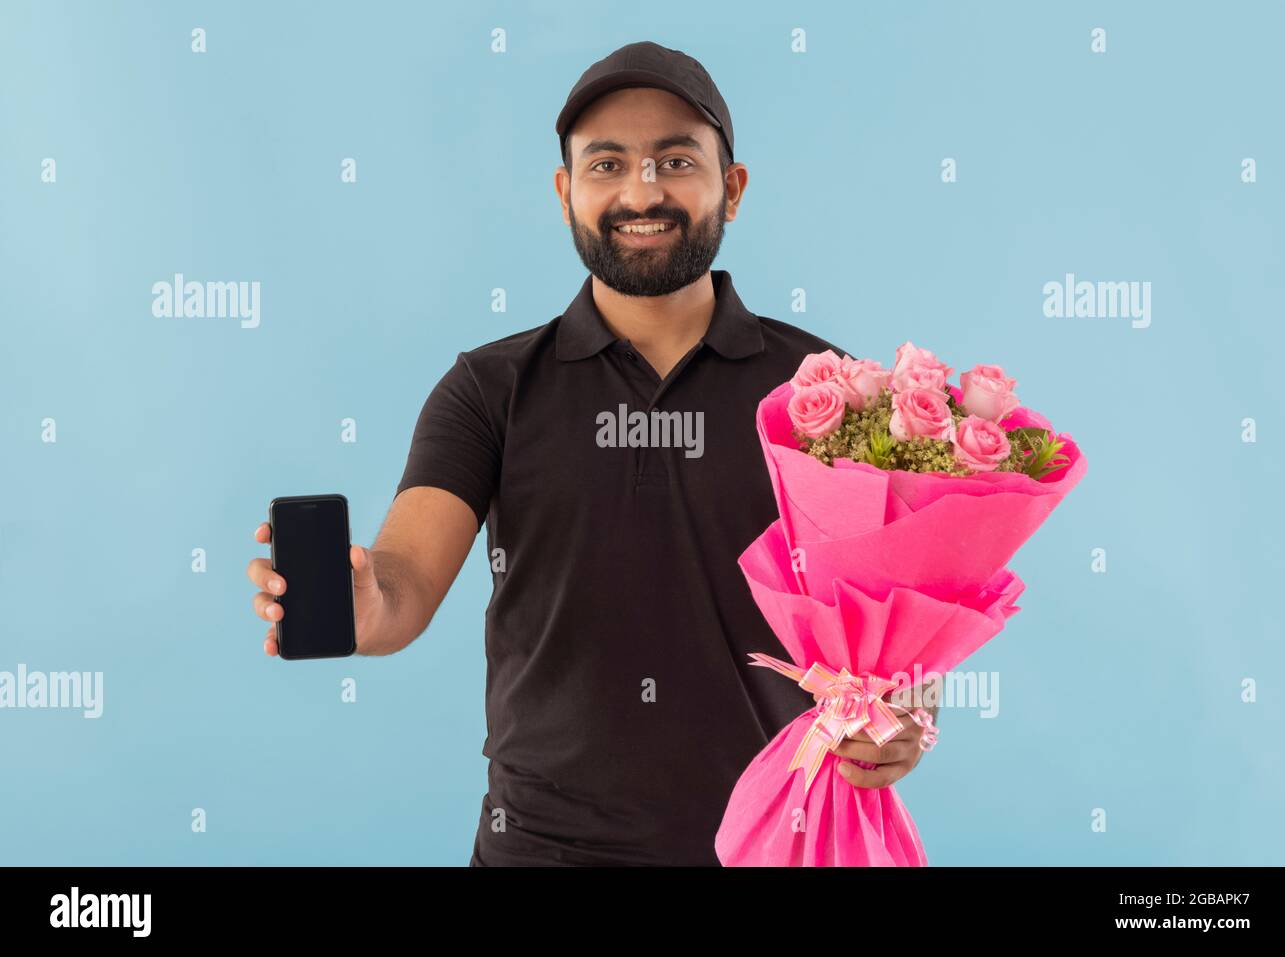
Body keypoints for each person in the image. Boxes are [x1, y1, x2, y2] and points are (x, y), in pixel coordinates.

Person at [246, 40, 937, 866]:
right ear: (567, 192)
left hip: (775, 844)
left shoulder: (825, 390)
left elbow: (900, 623)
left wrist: (912, 713)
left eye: (674, 159)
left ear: (734, 187)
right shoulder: (488, 388)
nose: (641, 190)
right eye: (606, 164)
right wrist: (365, 602)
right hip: (540, 850)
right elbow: (407, 580)